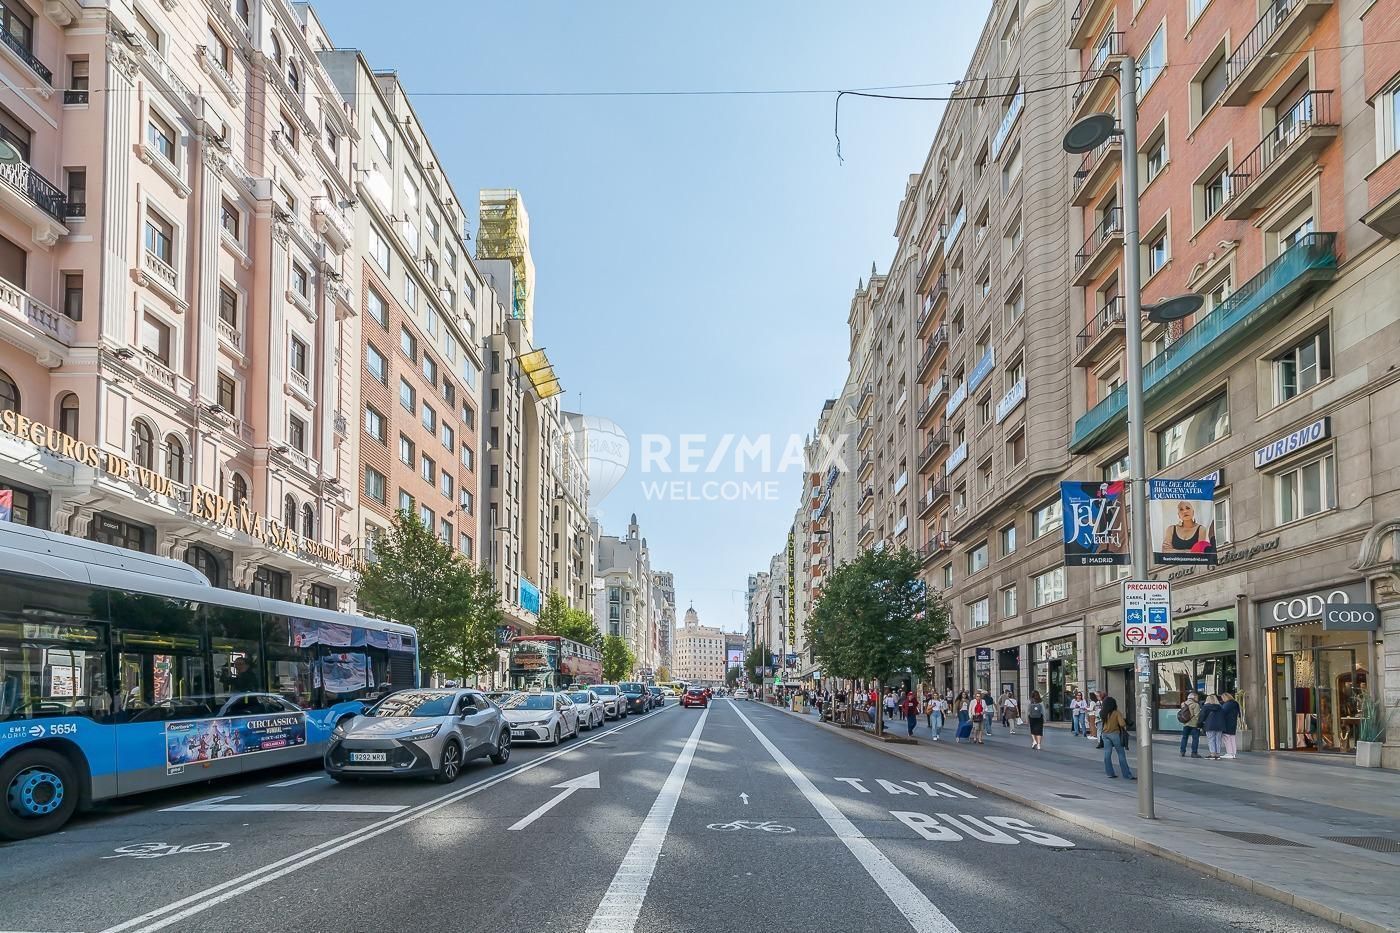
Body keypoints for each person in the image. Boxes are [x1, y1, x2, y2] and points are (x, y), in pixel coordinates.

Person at [1100, 695, 1134, 779]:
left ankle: (1110, 773)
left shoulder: (1102, 713)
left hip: (1105, 734)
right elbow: (1122, 724)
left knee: (1107, 754)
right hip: (1114, 734)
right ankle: (1127, 774)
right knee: (1121, 754)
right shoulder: (1116, 713)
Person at [1200, 693, 1225, 760]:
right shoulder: (1220, 707)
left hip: (1209, 725)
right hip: (1219, 726)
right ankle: (1217, 754)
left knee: (1211, 739)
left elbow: (1202, 717)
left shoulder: (1205, 707)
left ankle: (1212, 754)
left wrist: (1199, 724)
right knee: (1218, 740)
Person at [1179, 691, 1203, 758]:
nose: (1197, 699)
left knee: (1184, 737)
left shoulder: (1183, 704)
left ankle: (1182, 751)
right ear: (1194, 697)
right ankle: (1194, 753)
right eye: (1197, 697)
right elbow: (1197, 715)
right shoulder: (1196, 705)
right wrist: (1199, 724)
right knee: (1195, 739)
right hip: (1194, 724)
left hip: (1186, 723)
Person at [1220, 691, 1241, 759]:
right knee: (1232, 739)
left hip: (1227, 723)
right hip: (1233, 723)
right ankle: (1233, 753)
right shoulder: (1235, 703)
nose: (1222, 699)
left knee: (1227, 739)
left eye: (1223, 698)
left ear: (1225, 697)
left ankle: (1229, 753)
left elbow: (1222, 712)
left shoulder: (1227, 704)